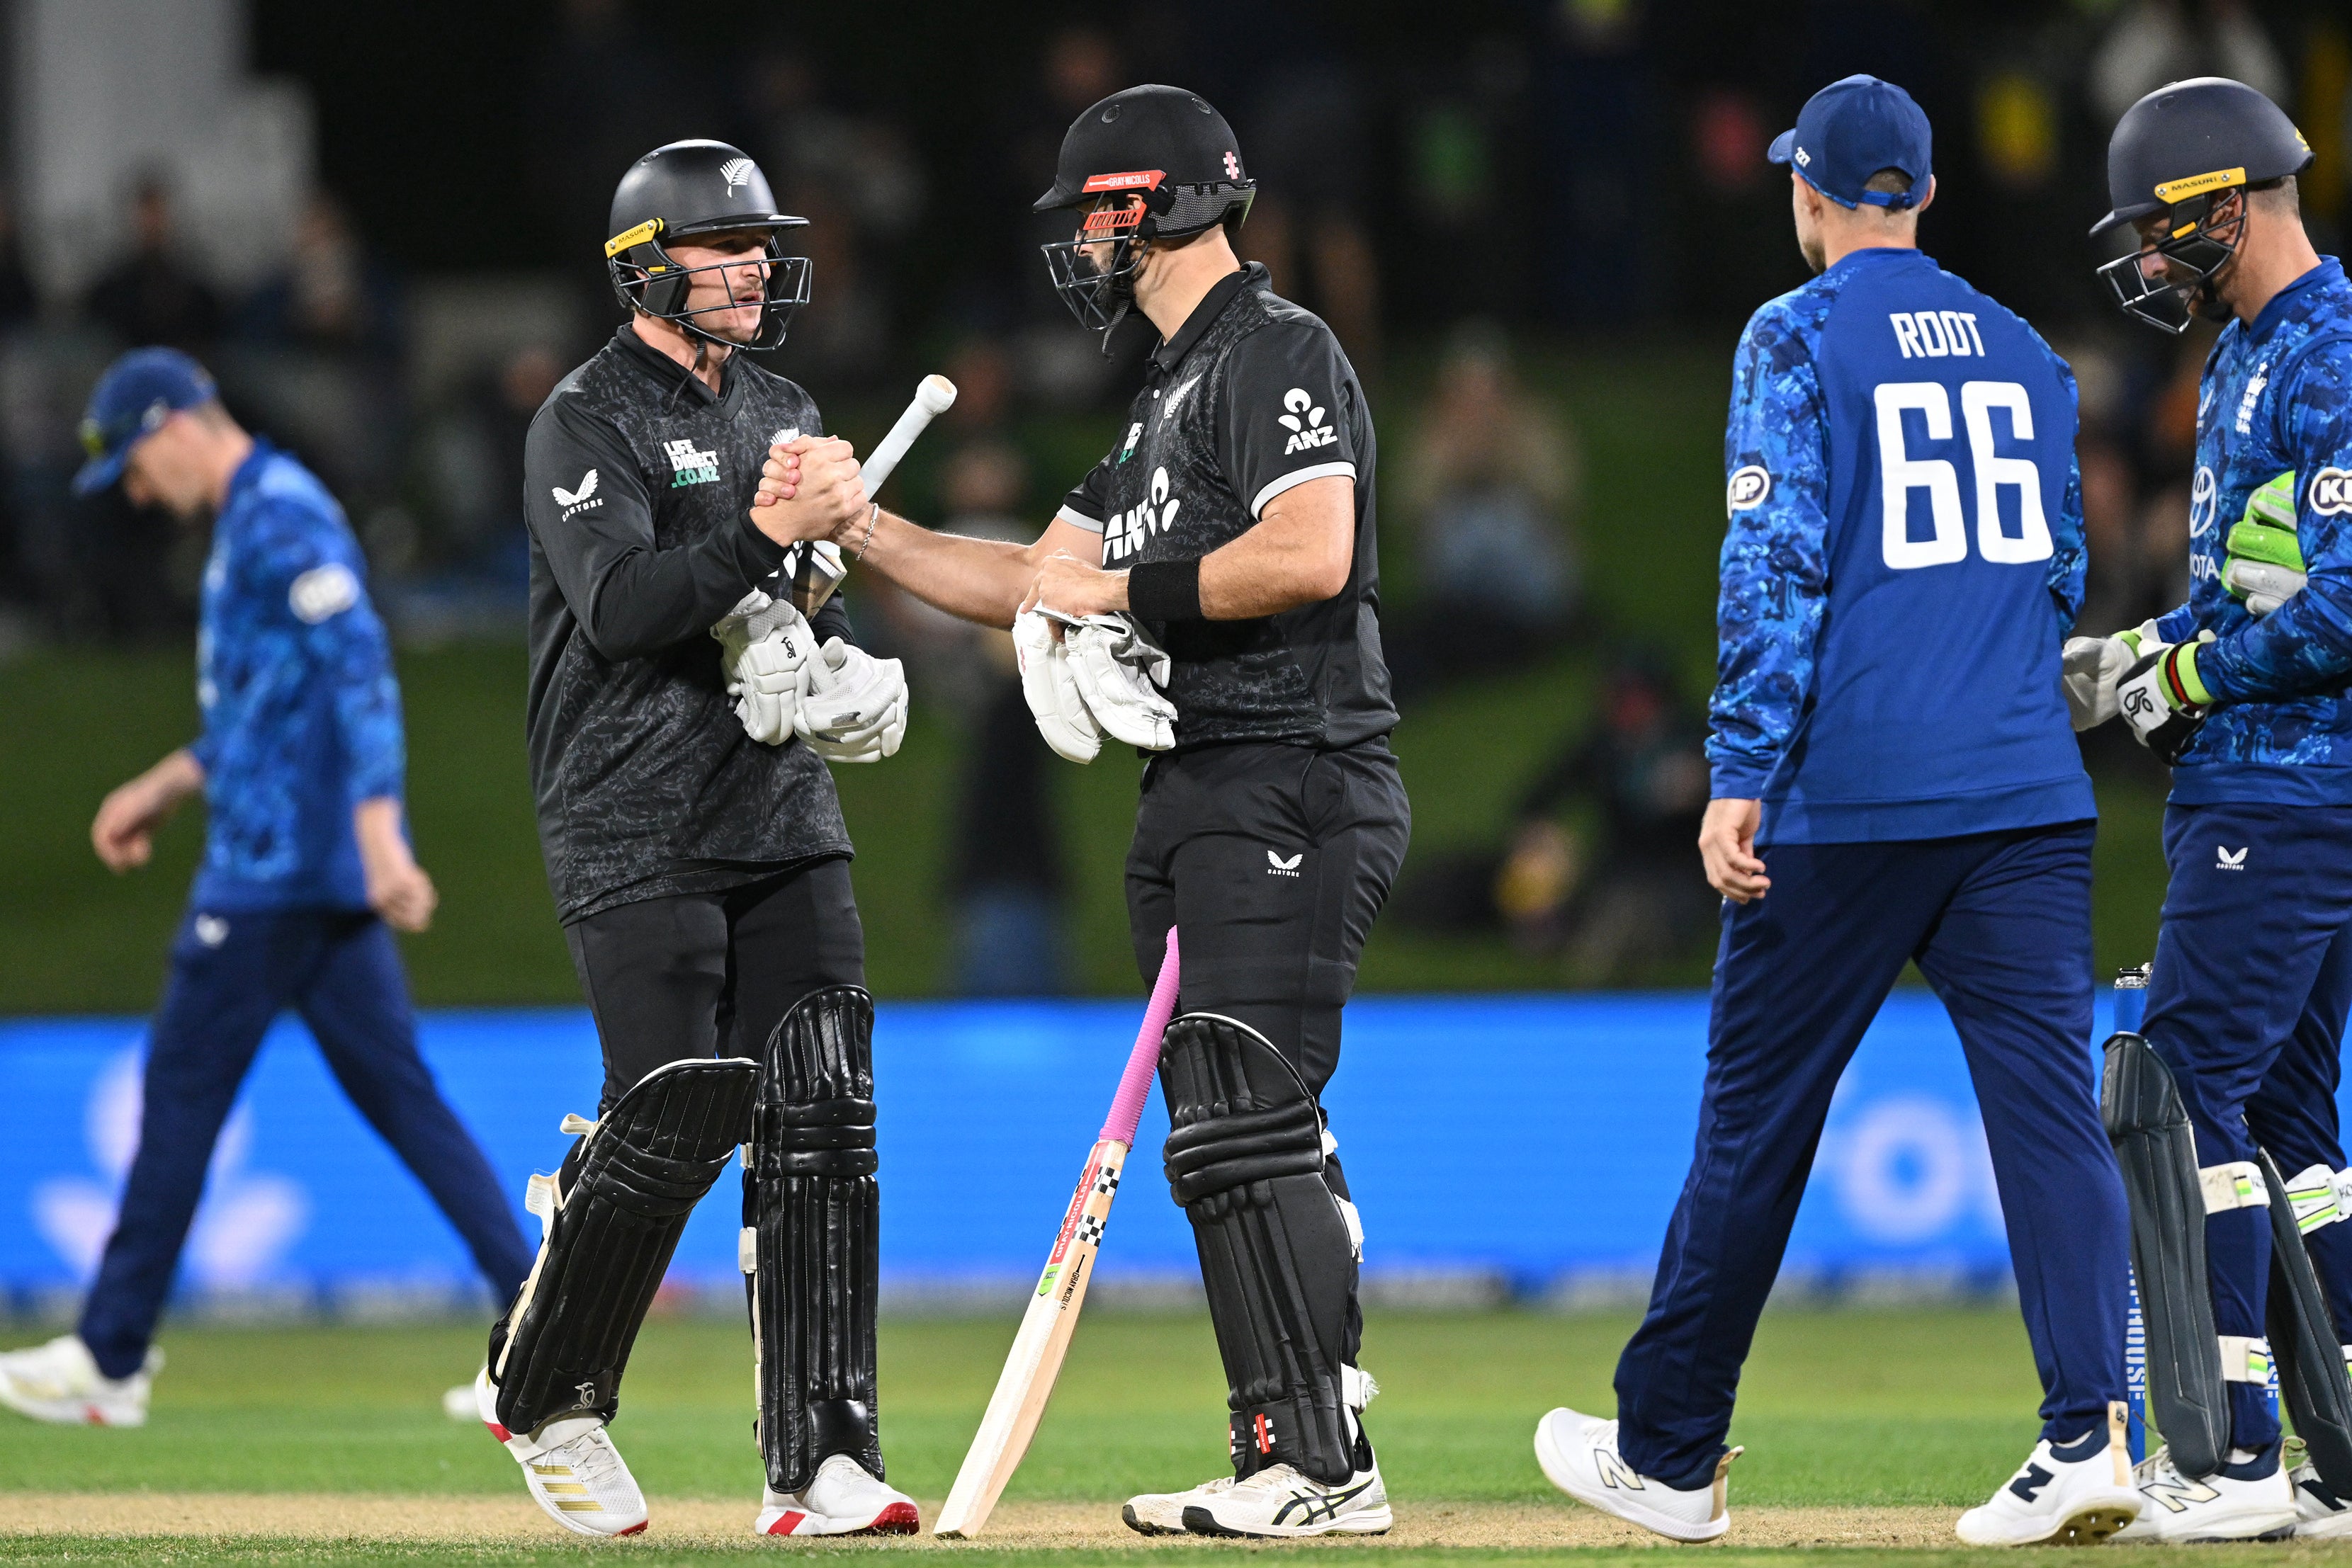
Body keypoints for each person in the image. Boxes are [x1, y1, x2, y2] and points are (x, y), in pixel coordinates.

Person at [752, 84, 1410, 1539]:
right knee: (1223, 1131)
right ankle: (1282, 1449)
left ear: (1158, 205)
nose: (1079, 246)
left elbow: (1311, 551)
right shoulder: (1163, 400)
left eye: (1094, 215)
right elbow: (1028, 580)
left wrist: (1119, 600)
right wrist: (861, 526)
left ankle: (1320, 1464)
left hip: (1295, 768)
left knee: (1244, 1116)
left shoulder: (1274, 351)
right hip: (1195, 787)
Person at [1529, 77, 2140, 1548]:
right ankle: (2091, 1436)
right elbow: (2061, 570)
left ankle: (1671, 1452)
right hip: (2020, 793)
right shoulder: (2027, 349)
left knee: (1755, 1121)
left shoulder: (1793, 336)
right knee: (2052, 1121)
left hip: (1853, 793)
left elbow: (1775, 563)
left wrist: (1736, 765)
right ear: (1921, 192)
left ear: (1810, 194)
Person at [476, 139, 915, 1540]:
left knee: (823, 1119)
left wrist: (835, 656)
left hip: (779, 807)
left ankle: (824, 1454)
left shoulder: (780, 403)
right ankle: (547, 1391)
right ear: (647, 267)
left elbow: (794, 590)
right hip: (632, 810)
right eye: (725, 248)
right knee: (667, 1120)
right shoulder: (580, 420)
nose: (754, 269)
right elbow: (619, 610)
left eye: (758, 246)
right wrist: (759, 544)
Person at [0, 348, 531, 1428]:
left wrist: (382, 835)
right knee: (406, 1103)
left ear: (171, 427)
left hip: (271, 875)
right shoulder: (262, 511)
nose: (141, 497)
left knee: (181, 1100)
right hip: (298, 868)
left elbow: (360, 665)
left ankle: (109, 1354)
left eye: (137, 472)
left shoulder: (276, 514)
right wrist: (169, 778)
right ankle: (545, 1327)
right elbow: (273, 700)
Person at [2067, 76, 2352, 1541]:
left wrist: (2174, 665)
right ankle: (2338, 1449)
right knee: (2291, 1114)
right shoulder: (2251, 349)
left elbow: (2344, 606)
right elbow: (2257, 585)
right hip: (2268, 778)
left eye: (2161, 229)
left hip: (2293, 789)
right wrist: (2151, 658)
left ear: (2224, 202)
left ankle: (2227, 1456)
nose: (2149, 260)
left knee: (2175, 1090)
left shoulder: (2332, 355)